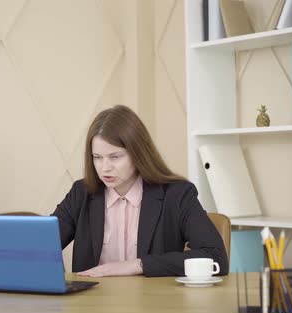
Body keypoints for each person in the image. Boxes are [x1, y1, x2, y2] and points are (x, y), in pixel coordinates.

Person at [52, 105, 228, 277]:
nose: (105, 168)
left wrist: (139, 265)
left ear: (138, 154)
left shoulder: (177, 194)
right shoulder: (81, 193)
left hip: (154, 303)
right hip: (93, 304)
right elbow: (39, 250)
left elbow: (216, 258)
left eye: (115, 157)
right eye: (97, 158)